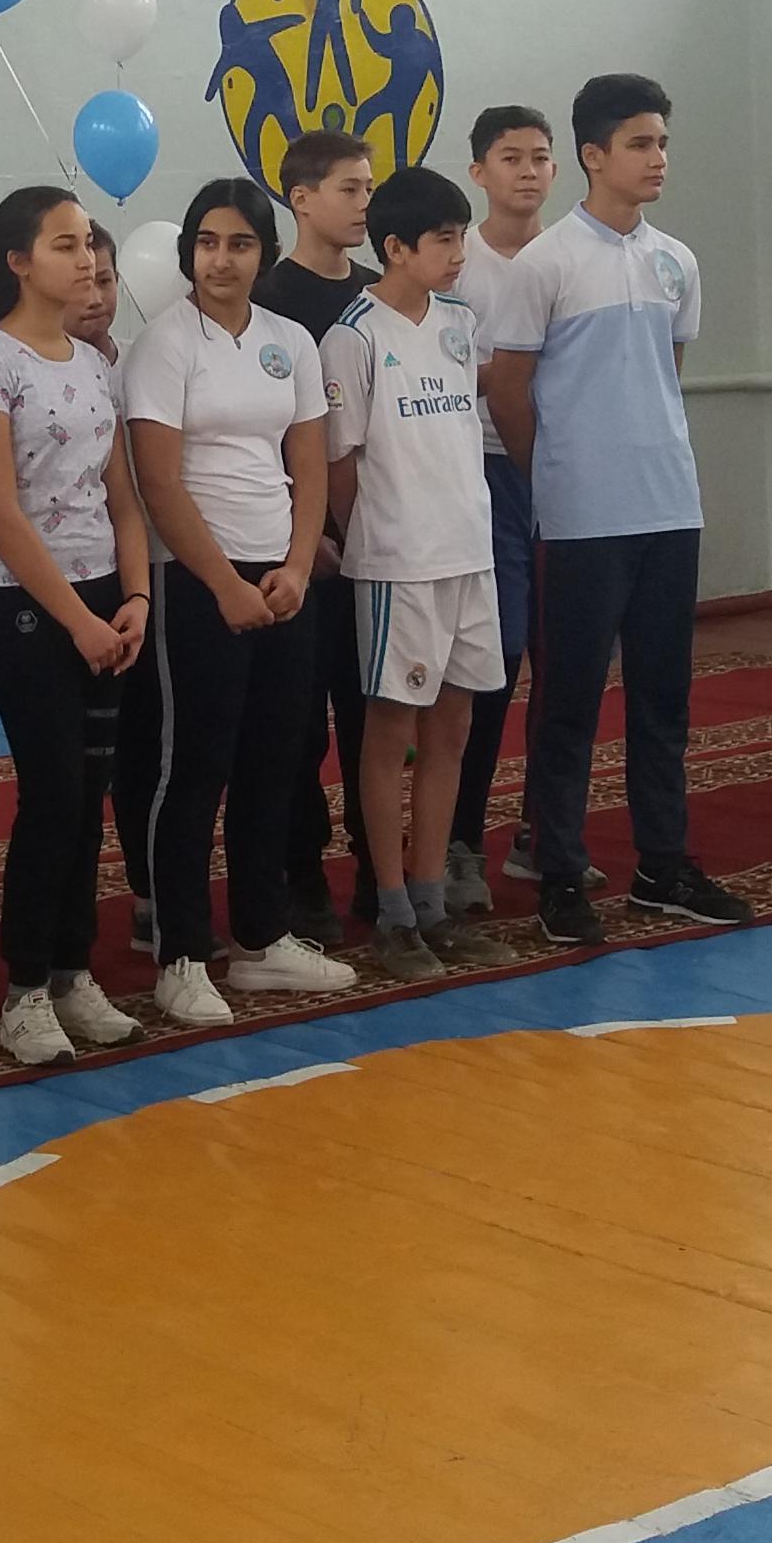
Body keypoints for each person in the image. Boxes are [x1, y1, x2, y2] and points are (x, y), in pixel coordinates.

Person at [480, 76, 751, 943]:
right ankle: (559, 872)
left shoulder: (678, 261)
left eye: (662, 141)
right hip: (579, 519)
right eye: (640, 143)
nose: (658, 158)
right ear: (594, 156)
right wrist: (558, 475)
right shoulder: (546, 263)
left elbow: (665, 374)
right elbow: (508, 391)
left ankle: (663, 866)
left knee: (663, 700)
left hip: (669, 506)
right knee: (568, 706)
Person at [120, 178, 343, 1025]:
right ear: (188, 253)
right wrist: (222, 585)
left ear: (264, 253)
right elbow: (157, 481)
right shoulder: (165, 345)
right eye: (208, 243)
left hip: (281, 580)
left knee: (275, 763)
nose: (222, 259)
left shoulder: (292, 341)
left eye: (240, 243)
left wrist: (296, 567)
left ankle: (262, 937)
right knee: (192, 769)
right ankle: (180, 953)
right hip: (195, 582)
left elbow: (309, 465)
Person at [0, 186, 155, 1062]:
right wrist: (77, 621)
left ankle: (75, 971)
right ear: (18, 261)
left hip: (104, 596)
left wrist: (135, 598)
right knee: (53, 793)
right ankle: (26, 987)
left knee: (91, 794)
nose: (84, 262)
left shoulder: (94, 363)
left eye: (87, 246)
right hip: (26, 604)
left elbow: (123, 497)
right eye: (64, 246)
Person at [319, 168, 506, 980]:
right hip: (401, 564)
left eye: (462, 237)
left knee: (453, 730)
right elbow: (341, 462)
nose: (459, 253)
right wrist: (374, 536)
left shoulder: (461, 322)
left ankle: (433, 900)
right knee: (390, 733)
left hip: (470, 554)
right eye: (444, 240)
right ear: (395, 247)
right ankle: (392, 908)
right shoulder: (354, 336)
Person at [257, 129, 378, 943]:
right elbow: (269, 433)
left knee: (375, 717)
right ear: (301, 199)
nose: (364, 204)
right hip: (302, 552)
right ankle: (300, 875)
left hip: (379, 544)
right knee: (296, 726)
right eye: (349, 188)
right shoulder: (270, 301)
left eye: (369, 188)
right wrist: (306, 537)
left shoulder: (379, 295)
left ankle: (379, 870)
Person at [446, 105, 551, 914]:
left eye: (539, 157)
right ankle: (459, 841)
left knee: (568, 658)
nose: (527, 171)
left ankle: (545, 832)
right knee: (495, 659)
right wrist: (507, 374)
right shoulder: (460, 268)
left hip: (572, 475)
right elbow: (445, 376)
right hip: (486, 472)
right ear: (479, 172)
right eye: (510, 157)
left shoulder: (570, 256)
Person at [65, 220, 165, 946]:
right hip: (75, 586)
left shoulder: (140, 360)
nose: (97, 295)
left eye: (107, 279)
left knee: (148, 744)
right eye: (84, 280)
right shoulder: (24, 368)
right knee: (77, 767)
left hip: (149, 577)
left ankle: (151, 890)